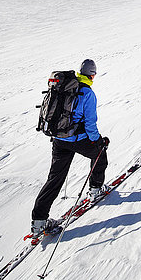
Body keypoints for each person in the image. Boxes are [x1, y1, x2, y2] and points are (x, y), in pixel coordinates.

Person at [31, 58, 109, 235]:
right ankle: (96, 189)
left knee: (55, 178)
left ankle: (39, 221)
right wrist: (98, 141)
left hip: (59, 139)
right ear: (92, 74)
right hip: (78, 139)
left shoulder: (64, 87)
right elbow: (90, 124)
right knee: (100, 155)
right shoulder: (87, 93)